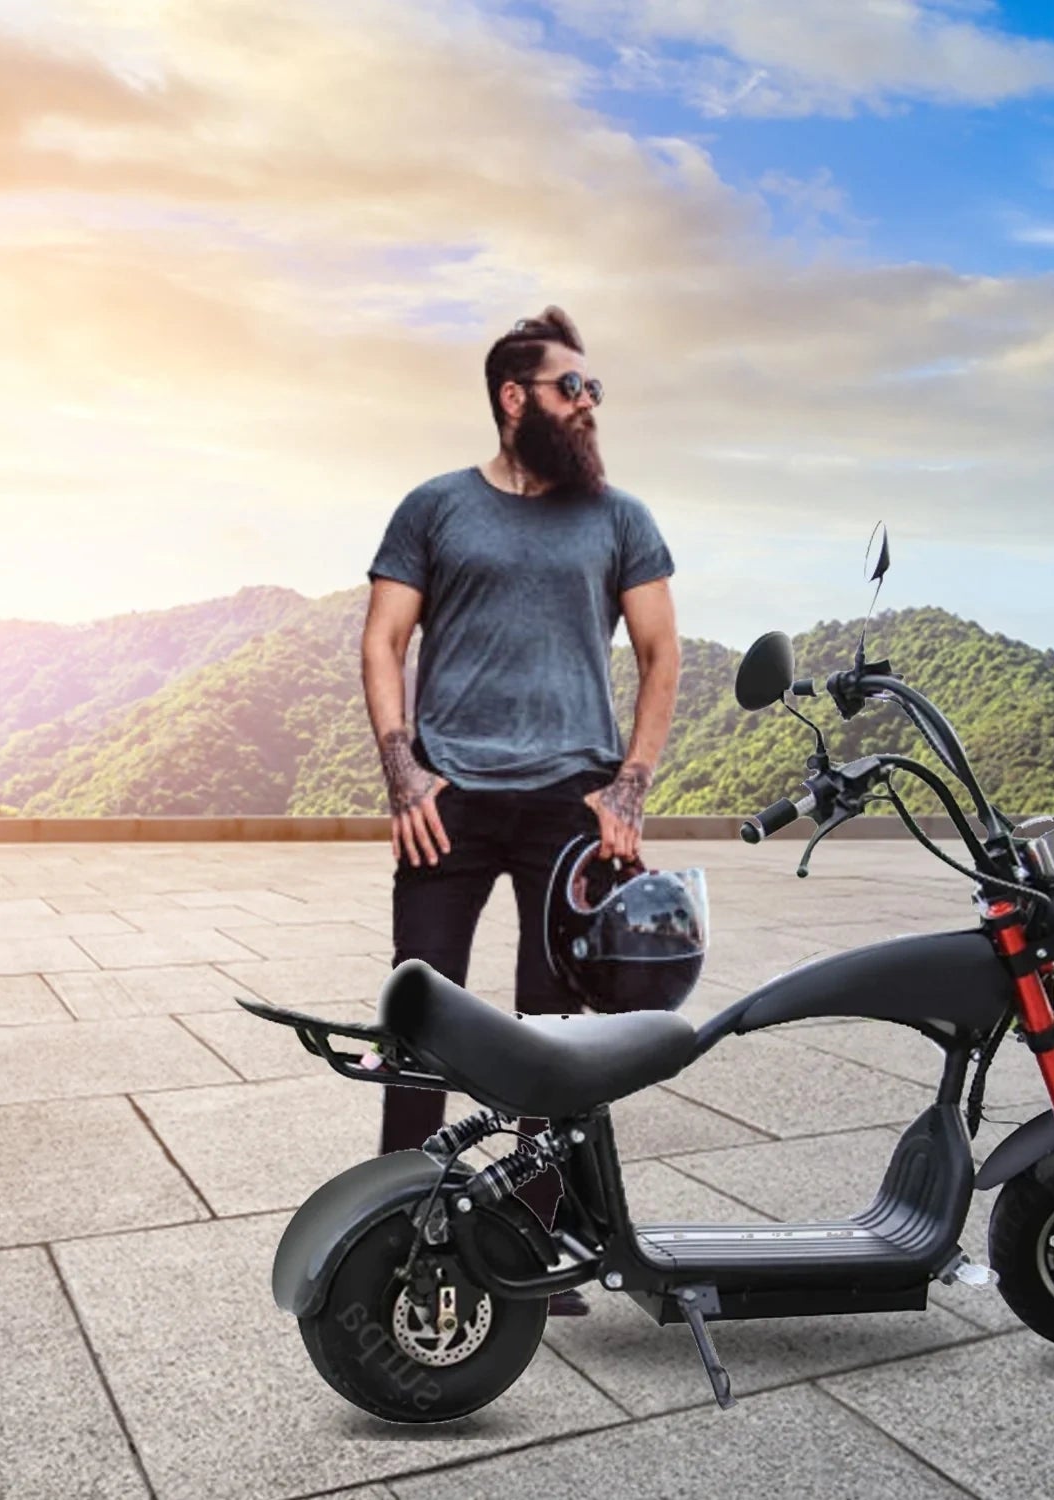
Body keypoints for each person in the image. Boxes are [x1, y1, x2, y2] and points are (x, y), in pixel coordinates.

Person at [360, 306, 681, 1315]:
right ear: (515, 398)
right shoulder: (434, 506)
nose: (589, 406)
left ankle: (536, 1244)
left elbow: (663, 653)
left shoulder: (620, 516)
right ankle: (396, 1237)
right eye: (571, 387)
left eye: (595, 390)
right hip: (447, 804)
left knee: (552, 1038)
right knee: (421, 1025)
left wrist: (626, 790)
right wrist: (405, 775)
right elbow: (382, 642)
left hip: (566, 810)